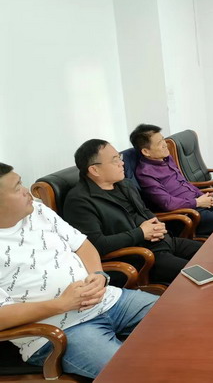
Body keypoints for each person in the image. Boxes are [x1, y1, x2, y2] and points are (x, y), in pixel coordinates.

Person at [0, 162, 157, 379]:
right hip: (62, 330)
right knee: (132, 374)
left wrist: (98, 275)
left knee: (181, 321)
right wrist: (62, 304)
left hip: (108, 301)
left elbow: (82, 244)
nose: (27, 191)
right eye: (18, 187)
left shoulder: (37, 210)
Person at [63, 139, 201, 285]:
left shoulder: (125, 184)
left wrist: (158, 226)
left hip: (164, 242)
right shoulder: (79, 201)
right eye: (115, 160)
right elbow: (97, 244)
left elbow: (144, 211)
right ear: (94, 170)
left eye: (120, 158)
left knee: (211, 256)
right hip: (141, 257)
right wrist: (141, 233)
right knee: (197, 275)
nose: (122, 163)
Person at [130, 124, 213, 236]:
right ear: (146, 151)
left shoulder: (166, 159)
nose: (165, 144)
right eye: (159, 143)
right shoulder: (145, 174)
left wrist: (203, 196)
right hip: (185, 215)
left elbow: (184, 182)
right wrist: (197, 202)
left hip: (198, 206)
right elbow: (167, 203)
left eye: (163, 139)